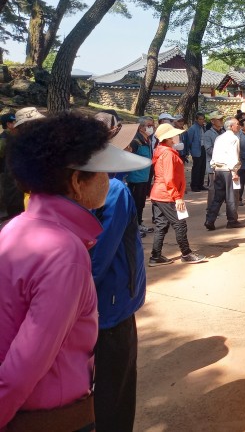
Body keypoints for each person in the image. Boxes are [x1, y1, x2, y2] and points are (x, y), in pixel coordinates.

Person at [0, 111, 149, 430]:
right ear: (77, 182)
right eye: (101, 173)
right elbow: (26, 362)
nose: (108, 180)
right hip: (50, 413)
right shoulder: (65, 252)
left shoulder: (16, 228)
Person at [90, 111, 148, 432]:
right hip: (112, 303)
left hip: (103, 301)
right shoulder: (114, 189)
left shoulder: (98, 182)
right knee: (117, 386)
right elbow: (100, 255)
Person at [149, 122, 206, 265]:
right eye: (174, 135)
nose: (178, 136)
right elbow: (169, 178)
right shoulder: (168, 153)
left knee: (161, 225)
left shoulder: (161, 150)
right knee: (180, 224)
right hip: (167, 194)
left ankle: (155, 256)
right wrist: (177, 197)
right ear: (169, 138)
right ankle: (186, 253)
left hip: (159, 193)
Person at [204, 118, 244, 230]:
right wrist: (234, 171)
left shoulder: (219, 138)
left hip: (218, 169)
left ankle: (210, 219)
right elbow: (234, 156)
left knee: (218, 196)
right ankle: (232, 220)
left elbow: (214, 154)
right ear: (231, 126)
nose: (239, 126)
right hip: (228, 170)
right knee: (231, 196)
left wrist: (214, 167)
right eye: (237, 124)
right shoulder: (234, 138)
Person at [127, 117, 155, 236]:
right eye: (148, 125)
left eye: (152, 125)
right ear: (140, 127)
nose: (151, 128)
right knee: (135, 203)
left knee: (141, 203)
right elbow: (128, 157)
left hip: (145, 178)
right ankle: (133, 227)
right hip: (135, 179)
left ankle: (139, 222)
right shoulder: (136, 142)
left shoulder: (147, 140)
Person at [184, 112, 207, 192]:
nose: (202, 121)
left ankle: (200, 184)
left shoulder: (203, 127)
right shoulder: (192, 128)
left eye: (203, 119)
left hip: (203, 148)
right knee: (196, 168)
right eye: (200, 119)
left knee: (202, 168)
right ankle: (194, 185)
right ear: (196, 120)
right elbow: (189, 141)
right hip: (196, 150)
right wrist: (189, 151)